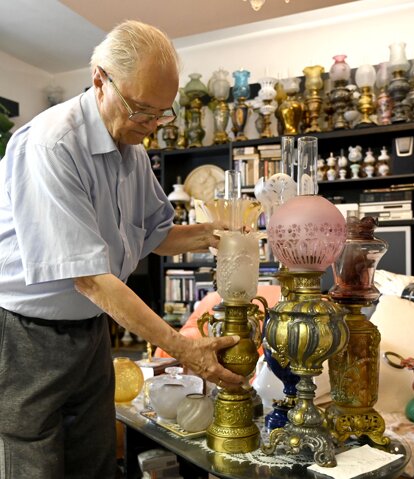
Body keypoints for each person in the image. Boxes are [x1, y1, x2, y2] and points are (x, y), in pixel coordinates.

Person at [0, 20, 244, 478]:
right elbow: (89, 276)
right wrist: (180, 347)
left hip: (91, 328)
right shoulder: (53, 143)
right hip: (24, 333)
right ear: (99, 80)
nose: (151, 128)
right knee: (32, 463)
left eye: (161, 115)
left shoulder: (131, 149)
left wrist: (215, 234)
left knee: (95, 460)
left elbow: (155, 236)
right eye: (142, 112)